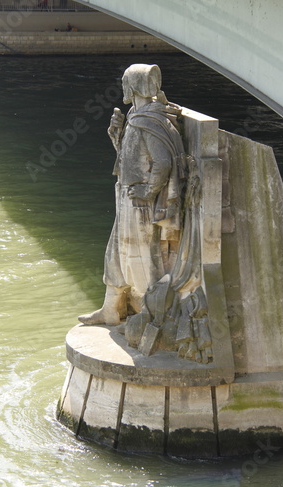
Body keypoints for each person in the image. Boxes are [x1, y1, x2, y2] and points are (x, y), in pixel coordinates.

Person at [78, 64, 186, 327]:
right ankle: (110, 309)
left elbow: (162, 163)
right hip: (128, 199)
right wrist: (117, 135)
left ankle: (150, 314)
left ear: (134, 86)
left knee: (142, 260)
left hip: (141, 205)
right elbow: (132, 158)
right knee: (115, 254)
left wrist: (148, 191)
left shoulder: (150, 121)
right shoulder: (137, 116)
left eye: (126, 82)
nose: (123, 87)